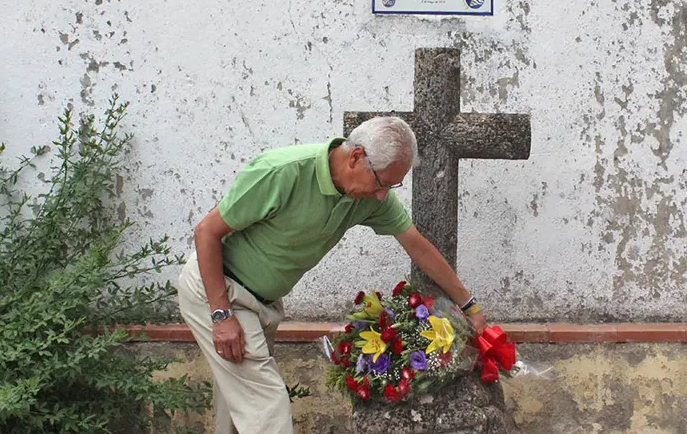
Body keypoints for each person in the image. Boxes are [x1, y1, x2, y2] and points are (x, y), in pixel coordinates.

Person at [176, 116, 488, 434]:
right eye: (382, 183)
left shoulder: (367, 197)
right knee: (267, 409)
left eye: (392, 186)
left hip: (263, 301)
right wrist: (221, 314)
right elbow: (206, 232)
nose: (383, 195)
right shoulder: (281, 172)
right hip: (219, 289)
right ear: (355, 157)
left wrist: (469, 306)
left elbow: (418, 247)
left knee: (239, 405)